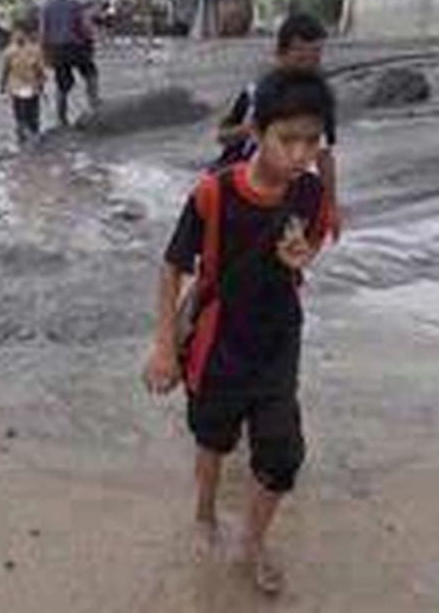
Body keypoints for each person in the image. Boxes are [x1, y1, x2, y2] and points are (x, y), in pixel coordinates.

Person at [143, 70, 329, 596]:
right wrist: (163, 348)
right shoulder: (213, 194)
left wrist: (303, 255)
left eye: (311, 140)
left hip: (278, 341)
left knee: (282, 452)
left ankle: (253, 542)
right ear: (258, 132)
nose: (300, 153)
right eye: (287, 139)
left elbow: (305, 248)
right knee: (213, 440)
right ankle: (204, 512)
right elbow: (172, 267)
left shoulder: (310, 192)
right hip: (218, 342)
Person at [215, 12, 343, 244]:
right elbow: (222, 136)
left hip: (285, 195)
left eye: (315, 57)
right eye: (301, 57)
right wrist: (247, 130)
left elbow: (325, 156)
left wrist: (331, 206)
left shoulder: (319, 103)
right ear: (280, 55)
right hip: (239, 190)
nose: (309, 67)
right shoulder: (256, 95)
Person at [40, 0, 99, 126]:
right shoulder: (75, 5)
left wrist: (45, 54)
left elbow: (43, 33)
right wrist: (90, 41)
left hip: (57, 50)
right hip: (76, 47)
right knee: (91, 73)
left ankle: (61, 117)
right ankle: (94, 103)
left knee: (62, 84)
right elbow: (84, 26)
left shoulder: (46, 8)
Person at [0, 23, 48, 147]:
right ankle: (23, 137)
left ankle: (33, 134)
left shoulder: (35, 50)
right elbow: (5, 70)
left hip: (32, 86)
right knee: (20, 114)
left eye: (20, 33)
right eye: (15, 34)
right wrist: (2, 85)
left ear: (26, 35)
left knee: (33, 113)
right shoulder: (9, 52)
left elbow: (40, 69)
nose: (18, 36)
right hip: (16, 88)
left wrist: (42, 84)